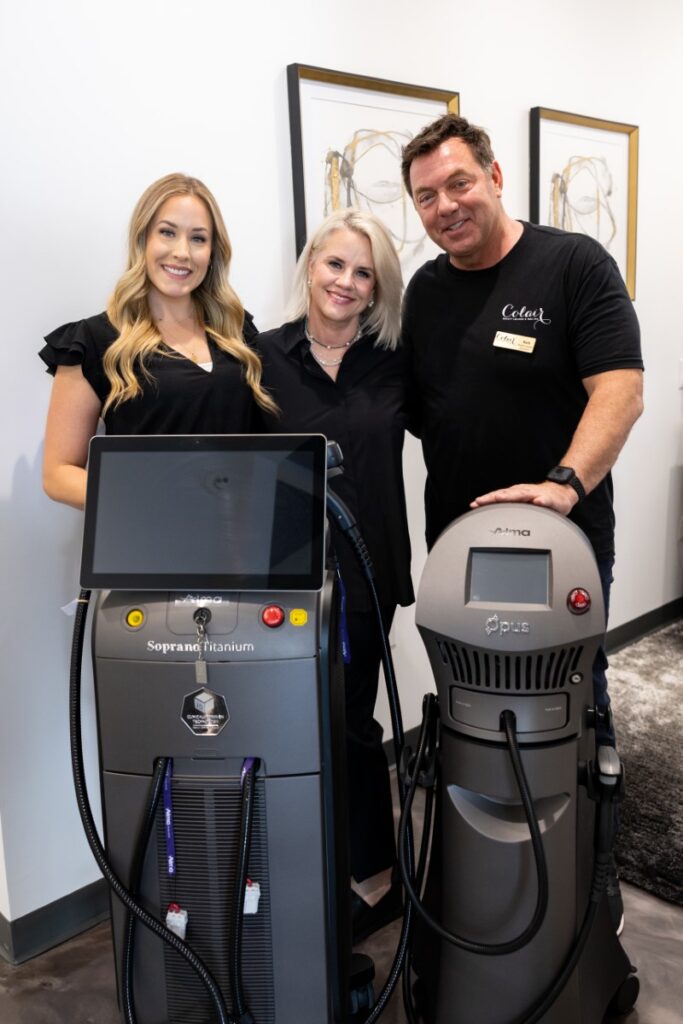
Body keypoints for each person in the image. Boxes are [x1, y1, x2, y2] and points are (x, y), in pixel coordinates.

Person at [401, 114, 644, 933]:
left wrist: (562, 485)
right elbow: (415, 407)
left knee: (574, 706)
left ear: (496, 176)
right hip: (461, 553)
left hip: (559, 545)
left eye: (458, 183)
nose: (445, 206)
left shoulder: (573, 265)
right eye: (426, 196)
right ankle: (481, 882)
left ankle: (592, 881)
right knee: (468, 709)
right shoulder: (425, 292)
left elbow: (620, 390)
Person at [256, 209, 413, 940]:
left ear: (376, 287)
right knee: (294, 724)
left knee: (351, 722)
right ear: (311, 263)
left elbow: (460, 422)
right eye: (336, 265)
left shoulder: (394, 360)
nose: (346, 282)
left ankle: (373, 875)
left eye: (363, 273)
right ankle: (306, 868)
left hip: (368, 571)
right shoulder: (263, 356)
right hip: (288, 576)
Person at [40, 173, 276, 509]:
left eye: (198, 238)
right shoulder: (95, 341)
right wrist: (151, 500)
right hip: (143, 535)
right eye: (167, 232)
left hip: (235, 534)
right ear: (143, 239)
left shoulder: (237, 333)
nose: (182, 252)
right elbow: (58, 474)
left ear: (213, 251)